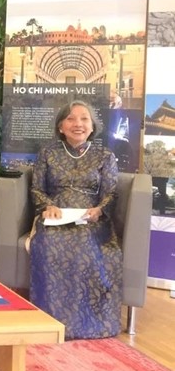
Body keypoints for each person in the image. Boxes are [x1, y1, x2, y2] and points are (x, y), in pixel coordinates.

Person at [29, 100, 121, 339]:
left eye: (84, 119)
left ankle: (86, 325)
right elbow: (37, 188)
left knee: (83, 241)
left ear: (92, 126)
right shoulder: (47, 153)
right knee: (50, 241)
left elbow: (111, 193)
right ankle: (50, 321)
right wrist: (47, 206)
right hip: (55, 215)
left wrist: (99, 210)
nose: (78, 124)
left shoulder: (105, 156)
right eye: (70, 118)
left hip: (90, 218)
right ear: (61, 126)